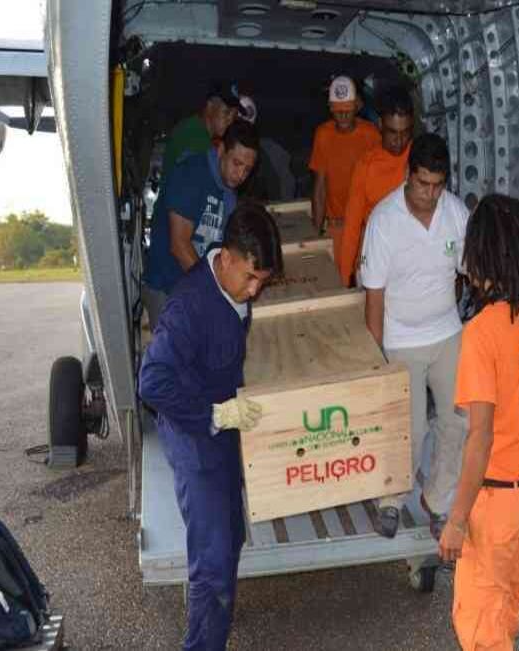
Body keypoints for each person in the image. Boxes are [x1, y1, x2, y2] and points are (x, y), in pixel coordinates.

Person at [138, 203, 283, 651]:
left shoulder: (234, 289)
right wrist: (214, 415)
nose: (256, 290)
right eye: (252, 278)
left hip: (223, 431)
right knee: (213, 558)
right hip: (195, 439)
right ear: (228, 257)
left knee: (230, 535)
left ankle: (216, 617)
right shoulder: (189, 306)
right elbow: (152, 381)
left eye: (263, 281)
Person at [438, 194, 519, 651]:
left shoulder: (482, 332)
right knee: (507, 607)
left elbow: (480, 435)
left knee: (480, 627)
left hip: (496, 506)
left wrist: (455, 520)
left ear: (480, 258)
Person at [358, 133, 468, 539]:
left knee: (459, 419)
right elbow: (374, 296)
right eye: (423, 183)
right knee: (411, 426)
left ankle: (437, 501)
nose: (430, 193)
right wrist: (376, 359)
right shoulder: (384, 220)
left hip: (446, 333)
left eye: (438, 185)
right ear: (408, 175)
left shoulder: (454, 212)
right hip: (400, 338)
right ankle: (390, 499)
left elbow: (472, 269)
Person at [142, 120, 259, 326]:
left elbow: (225, 250)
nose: (241, 175)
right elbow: (179, 246)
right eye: (237, 164)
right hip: (166, 288)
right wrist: (216, 294)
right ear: (221, 149)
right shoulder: (191, 173)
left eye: (247, 170)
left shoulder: (229, 193)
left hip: (196, 288)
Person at [338, 84, 415, 286]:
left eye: (405, 132)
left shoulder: (419, 159)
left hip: (412, 263)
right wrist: (345, 279)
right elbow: (352, 227)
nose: (399, 141)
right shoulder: (365, 166)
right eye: (392, 132)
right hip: (374, 261)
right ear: (380, 124)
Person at [308, 76, 381, 272]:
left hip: (366, 227)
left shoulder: (372, 134)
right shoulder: (323, 134)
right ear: (330, 108)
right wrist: (316, 232)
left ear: (357, 105)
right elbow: (320, 186)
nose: (342, 117)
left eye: (347, 111)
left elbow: (379, 184)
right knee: (335, 284)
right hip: (336, 226)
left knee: (366, 281)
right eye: (337, 111)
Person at [161, 81, 250, 175]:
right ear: (210, 106)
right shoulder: (194, 137)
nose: (230, 120)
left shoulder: (193, 128)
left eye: (234, 116)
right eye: (227, 112)